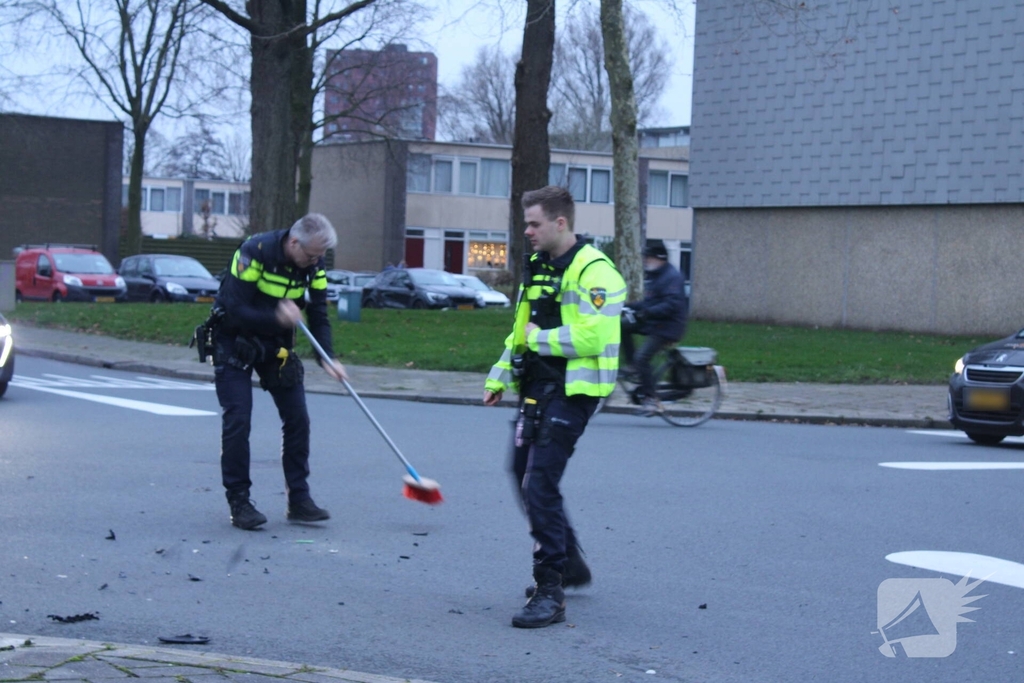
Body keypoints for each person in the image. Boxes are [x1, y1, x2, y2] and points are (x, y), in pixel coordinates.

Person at [483, 185, 626, 629]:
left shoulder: (597, 272)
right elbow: (520, 330)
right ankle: (570, 564)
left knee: (538, 483)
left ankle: (550, 591)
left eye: (534, 223)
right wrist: (500, 374)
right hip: (537, 388)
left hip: (574, 392)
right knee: (520, 470)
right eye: (526, 222)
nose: (527, 230)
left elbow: (592, 337)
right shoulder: (539, 267)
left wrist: (537, 341)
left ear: (560, 223)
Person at [212, 213, 347, 530]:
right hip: (234, 340)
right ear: (294, 242)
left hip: (277, 346)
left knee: (298, 418)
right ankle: (239, 502)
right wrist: (277, 317)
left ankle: (299, 500)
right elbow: (235, 307)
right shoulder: (254, 252)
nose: (315, 262)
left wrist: (327, 357)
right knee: (238, 419)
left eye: (320, 257)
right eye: (311, 255)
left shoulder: (314, 265)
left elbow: (317, 313)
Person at [620, 239, 689, 416]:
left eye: (648, 257)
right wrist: (629, 306)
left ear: (660, 258)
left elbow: (671, 305)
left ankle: (651, 400)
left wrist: (647, 312)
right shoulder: (656, 274)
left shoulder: (671, 277)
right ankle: (632, 366)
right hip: (655, 321)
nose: (645, 261)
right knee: (623, 326)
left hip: (669, 327)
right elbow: (648, 302)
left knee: (643, 357)